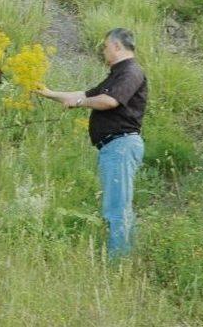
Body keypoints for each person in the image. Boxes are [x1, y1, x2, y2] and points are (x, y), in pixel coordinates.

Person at [36, 28, 147, 258]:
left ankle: (119, 265)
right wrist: (48, 93)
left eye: (105, 46)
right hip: (114, 148)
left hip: (121, 146)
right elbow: (84, 94)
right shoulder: (117, 74)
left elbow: (108, 101)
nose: (103, 51)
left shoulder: (131, 71)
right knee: (118, 205)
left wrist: (78, 102)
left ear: (117, 46)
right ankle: (125, 258)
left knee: (116, 209)